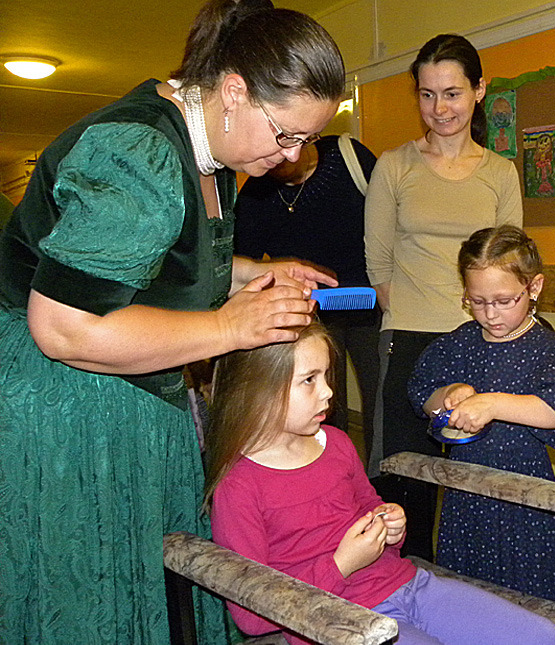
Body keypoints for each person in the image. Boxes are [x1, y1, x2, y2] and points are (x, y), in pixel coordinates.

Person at [0, 1, 345, 642]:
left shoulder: (212, 149)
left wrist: (249, 271)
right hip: (67, 408)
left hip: (123, 392)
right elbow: (65, 327)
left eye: (306, 140)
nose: (293, 156)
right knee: (93, 595)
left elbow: (162, 258)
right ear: (235, 92)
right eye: (287, 134)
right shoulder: (138, 153)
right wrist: (230, 328)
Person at [206, 319, 555, 645]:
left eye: (326, 376)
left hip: (406, 585)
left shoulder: (336, 443)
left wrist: (389, 524)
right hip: (334, 619)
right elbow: (250, 616)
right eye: (309, 380)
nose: (328, 391)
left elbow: (368, 506)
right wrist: (341, 564)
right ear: (259, 389)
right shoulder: (238, 486)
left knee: (544, 636)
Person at [364, 33, 523, 558]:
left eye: (452, 93)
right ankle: (404, 583)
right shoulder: (394, 165)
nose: (440, 108)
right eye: (427, 94)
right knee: (404, 478)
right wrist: (413, 314)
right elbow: (379, 265)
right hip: (409, 339)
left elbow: (510, 266)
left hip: (482, 341)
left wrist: (489, 328)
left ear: (479, 90)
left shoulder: (500, 172)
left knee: (478, 480)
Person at [408, 225, 555, 602]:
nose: (490, 314)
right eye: (477, 301)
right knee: (466, 591)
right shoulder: (460, 343)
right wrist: (449, 395)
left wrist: (494, 403)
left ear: (534, 287)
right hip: (466, 494)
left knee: (525, 596)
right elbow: (422, 393)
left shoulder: (550, 351)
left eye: (503, 301)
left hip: (524, 499)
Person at [234, 134, 380, 457]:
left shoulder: (348, 158)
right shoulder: (256, 194)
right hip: (307, 316)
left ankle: (375, 480)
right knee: (322, 405)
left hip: (370, 305)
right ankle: (326, 472)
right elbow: (240, 264)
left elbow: (388, 221)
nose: (279, 157)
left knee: (379, 402)